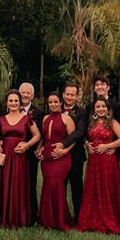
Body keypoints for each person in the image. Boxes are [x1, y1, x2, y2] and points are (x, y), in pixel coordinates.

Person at [77, 98, 120, 234]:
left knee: (108, 187)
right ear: (94, 109)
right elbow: (84, 137)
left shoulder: (112, 122)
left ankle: (110, 218)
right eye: (98, 107)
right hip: (93, 161)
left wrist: (108, 146)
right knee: (93, 188)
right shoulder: (91, 123)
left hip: (107, 160)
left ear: (108, 109)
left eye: (103, 106)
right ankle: (92, 220)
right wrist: (86, 144)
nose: (101, 109)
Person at [0, 89, 41, 228]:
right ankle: (2, 215)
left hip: (20, 156)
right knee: (4, 183)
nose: (13, 103)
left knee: (18, 184)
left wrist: (27, 145)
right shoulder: (0, 119)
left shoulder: (27, 118)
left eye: (16, 101)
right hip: (5, 155)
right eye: (10, 100)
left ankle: (18, 216)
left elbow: (37, 135)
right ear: (7, 103)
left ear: (20, 103)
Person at [36, 92, 75, 230]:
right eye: (50, 102)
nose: (53, 105)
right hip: (46, 158)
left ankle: (60, 219)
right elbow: (43, 137)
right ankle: (46, 218)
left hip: (61, 158)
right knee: (47, 185)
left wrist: (65, 150)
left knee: (57, 185)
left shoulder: (67, 118)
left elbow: (73, 138)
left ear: (60, 103)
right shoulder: (45, 118)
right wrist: (39, 149)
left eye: (55, 102)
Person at [52, 83, 88, 221]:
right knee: (59, 186)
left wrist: (63, 144)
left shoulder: (81, 113)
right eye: (67, 94)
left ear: (77, 96)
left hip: (75, 157)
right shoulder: (56, 109)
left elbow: (79, 132)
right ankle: (59, 216)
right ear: (63, 94)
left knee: (76, 188)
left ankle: (79, 218)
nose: (69, 97)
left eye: (73, 94)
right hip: (57, 156)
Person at [18, 82, 44, 224]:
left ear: (32, 96)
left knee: (30, 182)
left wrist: (38, 148)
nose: (25, 95)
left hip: (31, 152)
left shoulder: (38, 112)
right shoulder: (12, 107)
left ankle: (32, 214)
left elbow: (42, 134)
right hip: (14, 152)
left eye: (28, 93)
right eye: (23, 92)